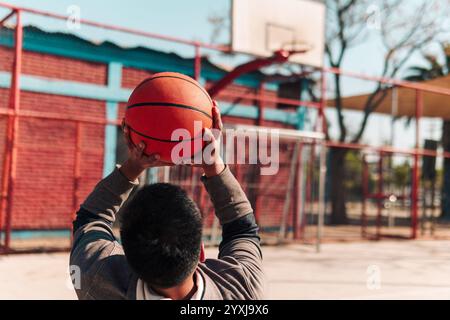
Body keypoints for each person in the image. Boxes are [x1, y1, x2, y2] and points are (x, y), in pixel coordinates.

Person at [70, 103, 264, 300]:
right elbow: (243, 230)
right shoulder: (242, 290)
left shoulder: (96, 279)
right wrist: (214, 165)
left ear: (127, 258)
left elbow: (89, 220)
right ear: (201, 253)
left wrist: (133, 166)